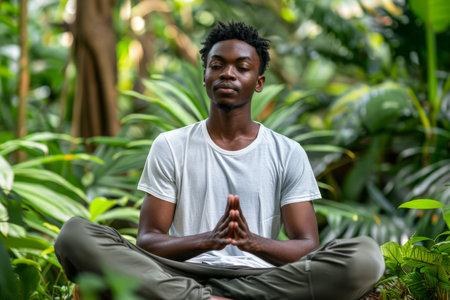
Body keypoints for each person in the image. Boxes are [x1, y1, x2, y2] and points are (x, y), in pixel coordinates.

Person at [55, 21, 385, 300]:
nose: (227, 73)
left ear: (258, 83)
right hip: (181, 272)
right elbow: (149, 239)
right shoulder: (171, 145)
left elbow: (305, 246)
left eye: (241, 67)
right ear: (205, 76)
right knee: (74, 235)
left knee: (365, 257)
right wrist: (208, 241)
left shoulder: (287, 152)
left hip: (262, 280)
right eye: (217, 65)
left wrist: (251, 242)